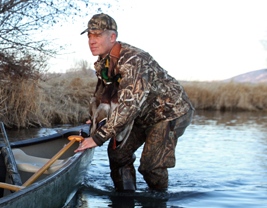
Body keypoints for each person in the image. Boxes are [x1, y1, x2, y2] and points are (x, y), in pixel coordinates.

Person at [75, 13, 194, 191]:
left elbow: (129, 105)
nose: (91, 41)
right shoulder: (104, 62)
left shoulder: (133, 61)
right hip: (141, 115)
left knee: (151, 166)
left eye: (97, 35)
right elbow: (104, 94)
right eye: (89, 36)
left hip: (169, 113)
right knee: (118, 155)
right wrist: (95, 119)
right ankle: (125, 199)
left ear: (112, 37)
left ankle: (157, 205)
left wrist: (98, 137)